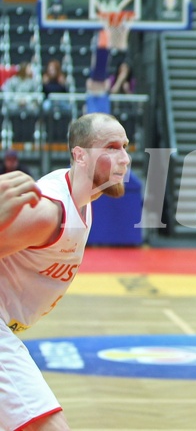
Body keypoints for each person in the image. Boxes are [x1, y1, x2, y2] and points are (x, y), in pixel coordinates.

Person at [0, 112, 130, 430]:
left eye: (126, 147)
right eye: (111, 147)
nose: (124, 159)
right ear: (80, 155)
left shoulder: (81, 201)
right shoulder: (50, 212)